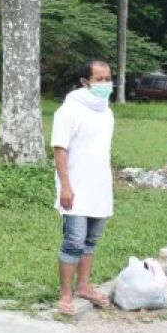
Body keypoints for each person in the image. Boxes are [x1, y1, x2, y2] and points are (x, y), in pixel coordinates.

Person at [52, 60, 115, 315]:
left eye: (108, 78)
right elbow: (60, 149)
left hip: (99, 187)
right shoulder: (68, 111)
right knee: (74, 241)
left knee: (91, 240)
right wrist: (65, 186)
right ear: (85, 82)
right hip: (75, 189)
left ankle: (84, 286)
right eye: (99, 79)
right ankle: (66, 293)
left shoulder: (107, 112)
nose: (105, 84)